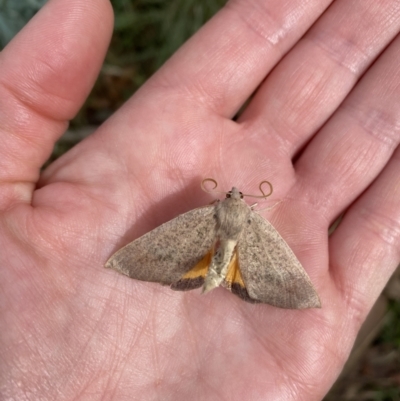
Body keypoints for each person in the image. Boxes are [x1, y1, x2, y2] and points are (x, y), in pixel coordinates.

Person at [1, 0, 399, 400]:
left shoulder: (203, 215)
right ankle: (232, 277)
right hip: (247, 256)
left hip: (204, 258)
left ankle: (215, 273)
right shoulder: (256, 218)